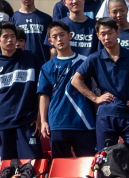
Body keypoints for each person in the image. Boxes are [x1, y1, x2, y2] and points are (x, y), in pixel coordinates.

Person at [73, 18, 129, 155]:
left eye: (110, 33)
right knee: (105, 158)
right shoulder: (95, 58)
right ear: (98, 36)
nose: (107, 37)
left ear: (117, 32)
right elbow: (76, 80)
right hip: (106, 115)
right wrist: (95, 98)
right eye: (103, 34)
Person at [0, 21, 42, 166]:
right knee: (7, 168)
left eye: (13, 36)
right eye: (5, 37)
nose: (10, 40)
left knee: (32, 166)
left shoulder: (31, 59)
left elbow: (41, 90)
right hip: (3, 124)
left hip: (28, 122)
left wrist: (40, 116)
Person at [38, 21, 98, 155]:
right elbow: (44, 95)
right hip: (58, 123)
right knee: (60, 164)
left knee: (88, 164)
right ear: (50, 41)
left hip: (84, 122)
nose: (59, 39)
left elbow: (96, 89)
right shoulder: (46, 67)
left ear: (70, 36)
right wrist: (43, 121)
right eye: (55, 37)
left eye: (62, 35)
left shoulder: (86, 61)